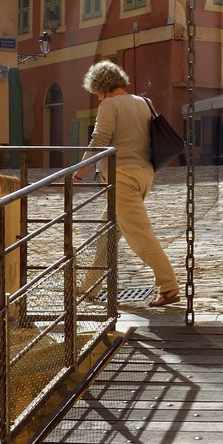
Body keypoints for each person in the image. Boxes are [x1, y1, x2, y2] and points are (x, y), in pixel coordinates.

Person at [77, 60, 180, 309]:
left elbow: (99, 141)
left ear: (100, 86)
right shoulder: (144, 102)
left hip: (121, 177)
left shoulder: (109, 105)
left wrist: (78, 174)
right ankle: (89, 287)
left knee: (139, 235)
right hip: (144, 175)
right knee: (106, 235)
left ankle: (168, 285)